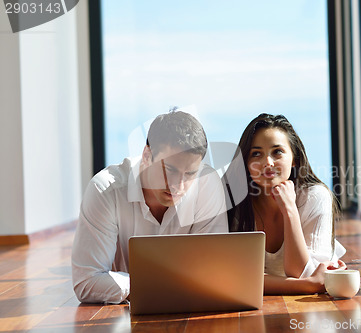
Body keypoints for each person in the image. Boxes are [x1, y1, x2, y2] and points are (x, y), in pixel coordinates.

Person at [72, 110, 228, 304]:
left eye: (189, 174)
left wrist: (147, 286)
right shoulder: (105, 189)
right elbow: (87, 282)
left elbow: (212, 269)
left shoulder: (207, 183)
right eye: (169, 169)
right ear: (147, 154)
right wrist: (171, 285)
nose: (177, 186)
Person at [226, 113, 346, 294]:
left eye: (277, 152)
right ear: (246, 162)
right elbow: (231, 276)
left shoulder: (315, 196)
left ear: (295, 159)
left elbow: (301, 273)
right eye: (256, 154)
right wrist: (307, 285)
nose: (267, 162)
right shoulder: (234, 201)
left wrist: (289, 209)